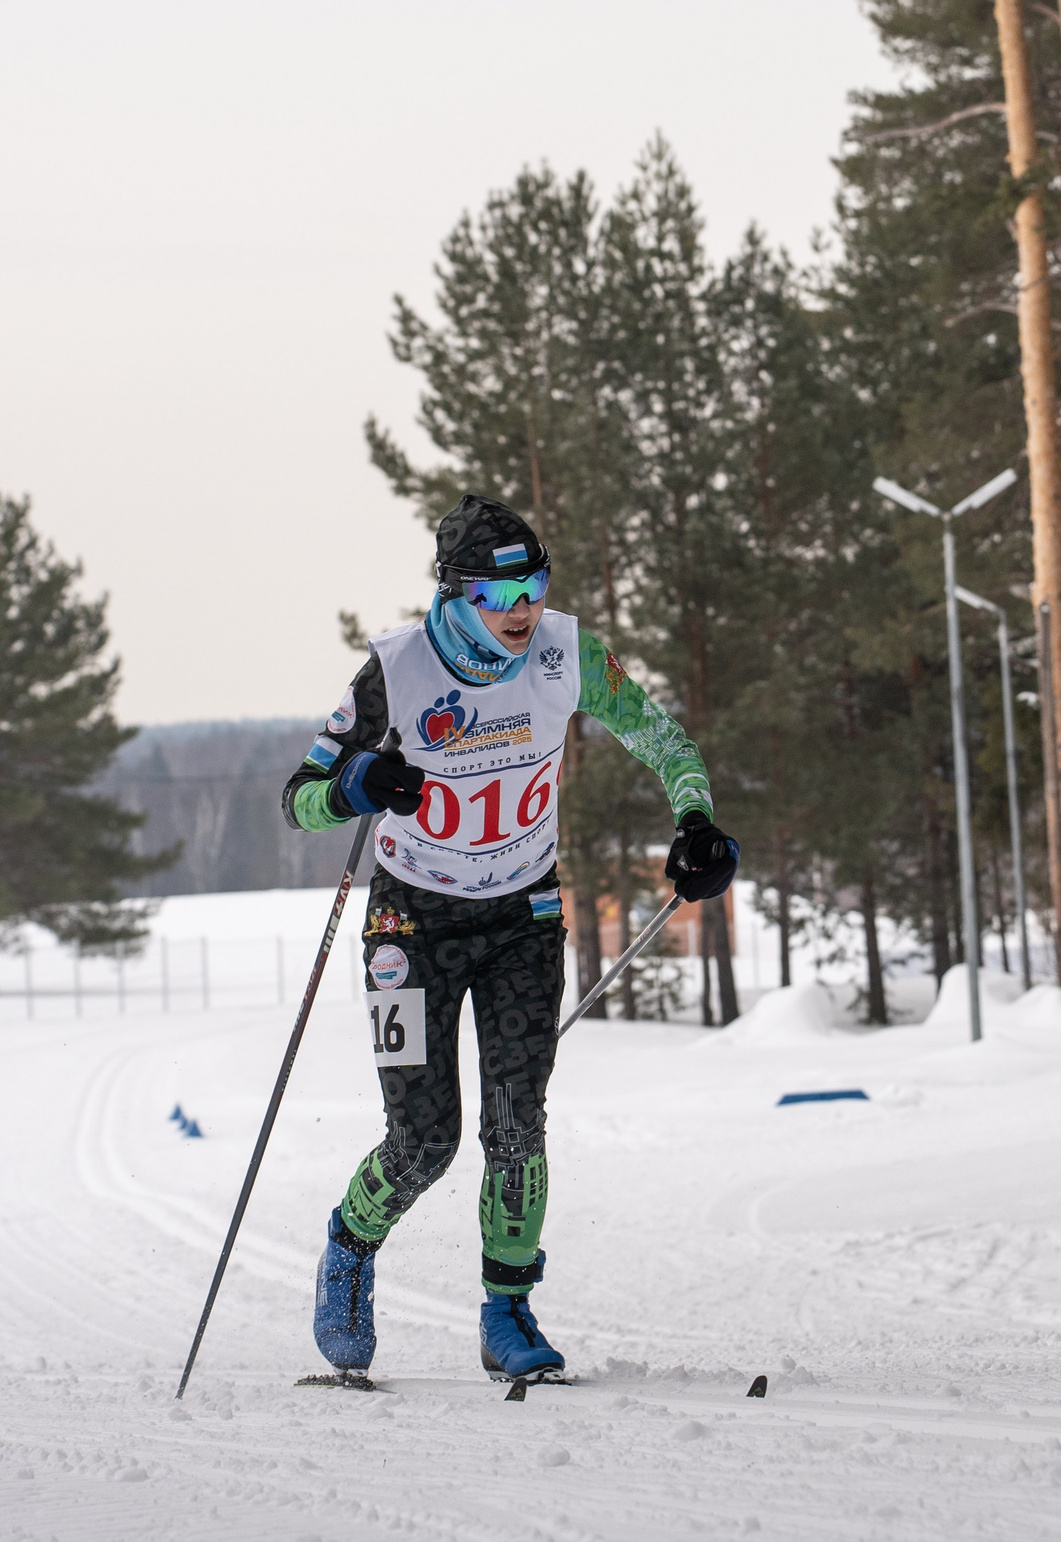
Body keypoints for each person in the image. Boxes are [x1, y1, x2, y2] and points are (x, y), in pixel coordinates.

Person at [281, 496, 737, 1384]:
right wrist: (358, 783)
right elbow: (299, 796)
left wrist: (697, 824)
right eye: (503, 591)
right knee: (425, 1139)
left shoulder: (567, 652)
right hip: (410, 924)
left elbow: (664, 740)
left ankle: (507, 1308)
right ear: (455, 593)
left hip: (522, 914)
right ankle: (350, 1245)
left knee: (517, 1123)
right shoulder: (397, 672)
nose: (524, 608)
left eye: (536, 584)